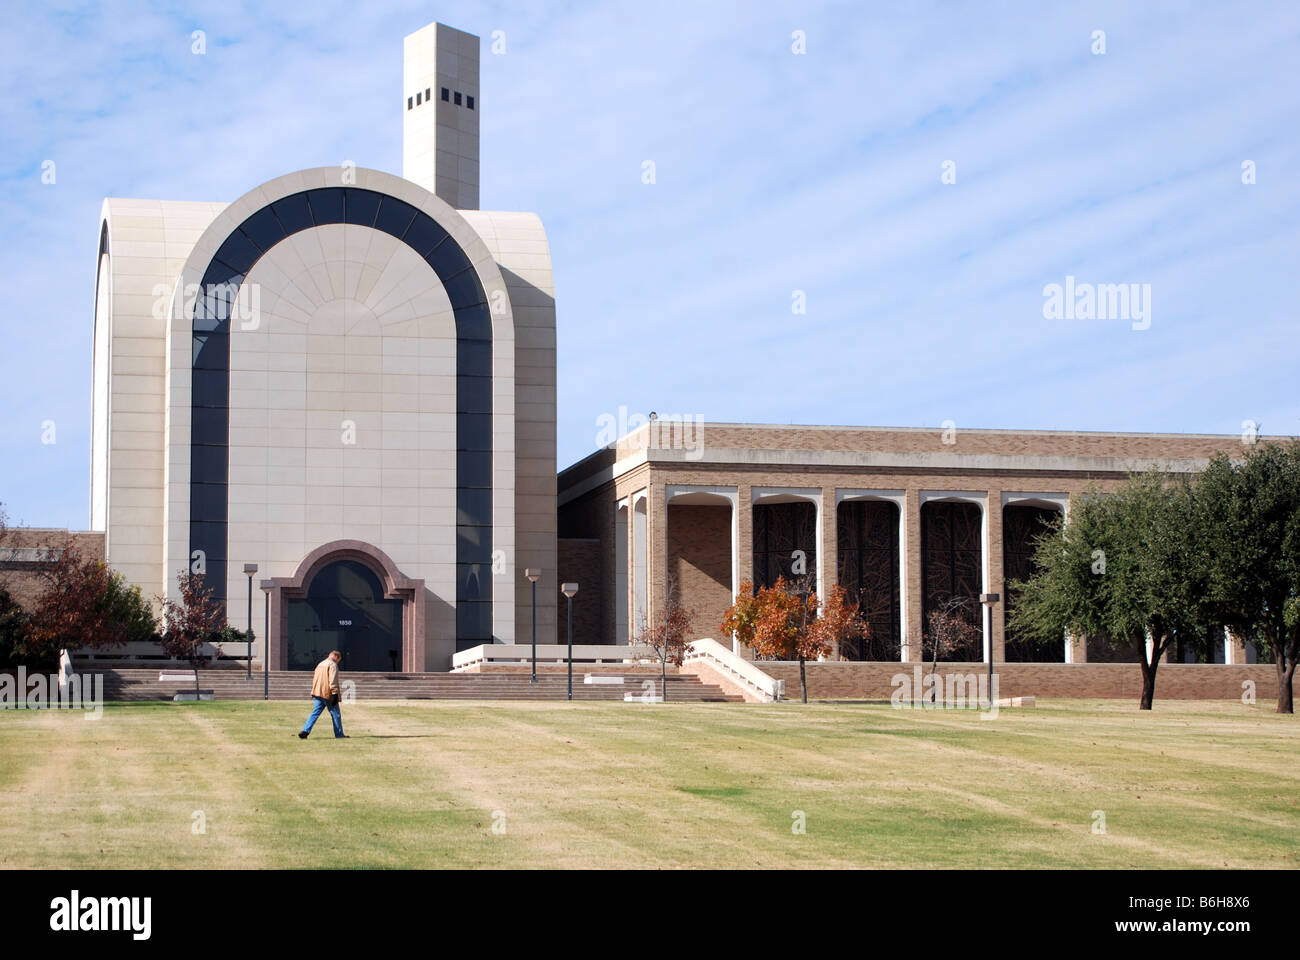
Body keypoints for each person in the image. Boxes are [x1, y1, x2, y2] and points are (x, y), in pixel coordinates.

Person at [299, 650, 348, 739]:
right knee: (336, 714)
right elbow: (332, 680)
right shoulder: (332, 665)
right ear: (336, 657)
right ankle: (339, 734)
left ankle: (305, 730)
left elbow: (315, 678)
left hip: (317, 692)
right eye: (338, 660)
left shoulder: (320, 664)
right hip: (327, 693)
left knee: (315, 713)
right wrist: (335, 694)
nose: (338, 662)